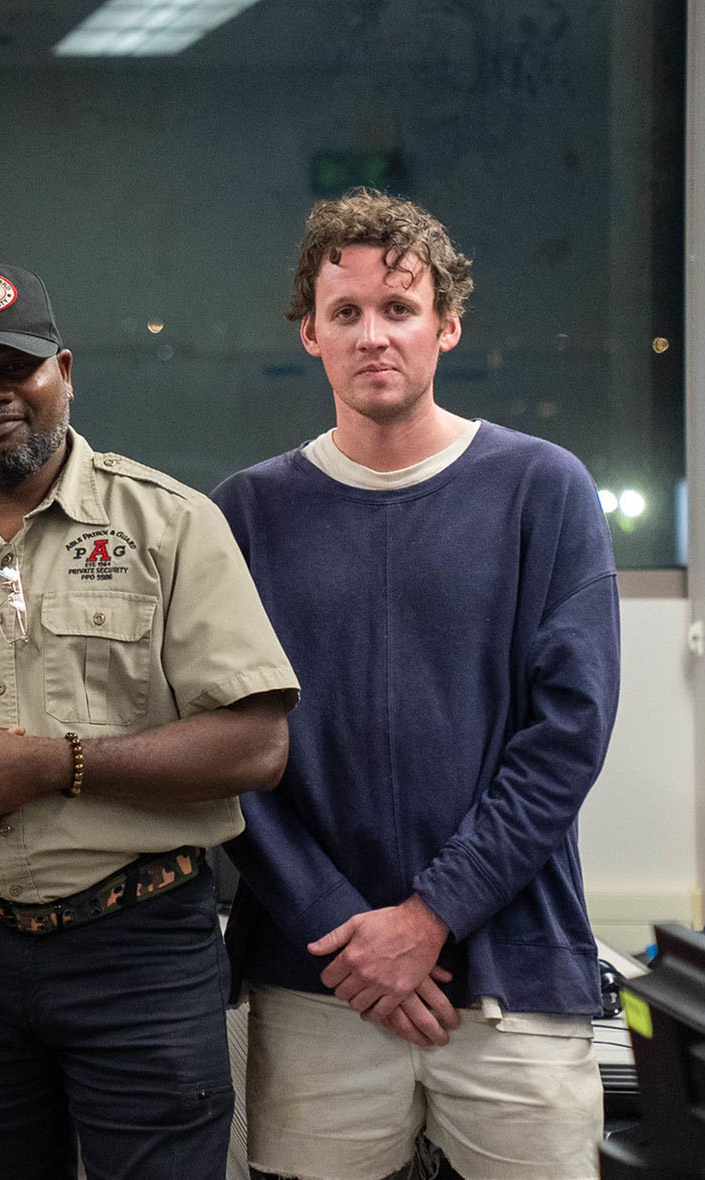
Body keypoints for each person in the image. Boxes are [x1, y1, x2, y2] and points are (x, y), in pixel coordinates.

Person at [0, 260, 299, 1179]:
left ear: (66, 371)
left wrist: (51, 765)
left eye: (18, 369)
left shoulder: (170, 526)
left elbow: (256, 742)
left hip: (140, 948)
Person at [214, 189, 620, 1180]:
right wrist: (340, 931)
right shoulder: (246, 515)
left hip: (513, 977)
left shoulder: (543, 488)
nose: (374, 335)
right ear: (309, 332)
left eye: (400, 308)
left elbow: (568, 734)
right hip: (318, 980)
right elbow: (225, 752)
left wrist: (428, 917)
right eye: (345, 312)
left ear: (447, 322)